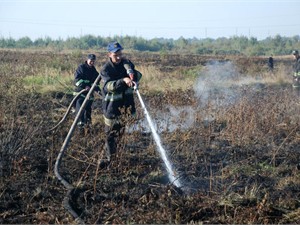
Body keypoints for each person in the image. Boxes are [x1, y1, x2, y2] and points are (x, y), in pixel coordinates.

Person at [100, 41, 142, 164]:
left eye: (120, 54)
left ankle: (117, 157)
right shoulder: (106, 69)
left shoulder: (126, 64)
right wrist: (123, 80)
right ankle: (110, 161)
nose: (118, 57)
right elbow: (109, 86)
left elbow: (139, 76)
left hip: (126, 106)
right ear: (109, 54)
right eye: (115, 55)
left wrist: (132, 74)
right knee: (110, 135)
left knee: (121, 133)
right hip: (111, 108)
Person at [74, 54, 101, 131]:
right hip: (80, 94)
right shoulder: (81, 68)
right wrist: (85, 86)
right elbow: (76, 80)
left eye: (93, 61)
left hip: (89, 95)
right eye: (91, 60)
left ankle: (88, 128)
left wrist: (98, 90)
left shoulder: (93, 70)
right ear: (87, 60)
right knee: (80, 112)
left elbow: (96, 81)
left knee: (88, 112)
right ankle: (80, 129)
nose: (92, 62)